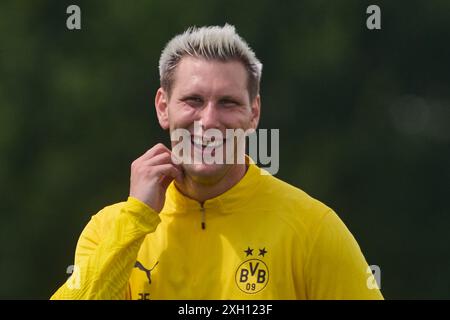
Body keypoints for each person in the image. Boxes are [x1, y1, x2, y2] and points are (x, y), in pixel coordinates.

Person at [51, 24, 383, 300]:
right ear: (163, 107)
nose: (209, 121)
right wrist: (138, 215)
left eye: (228, 103)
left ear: (253, 114)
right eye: (193, 100)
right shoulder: (112, 229)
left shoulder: (313, 229)